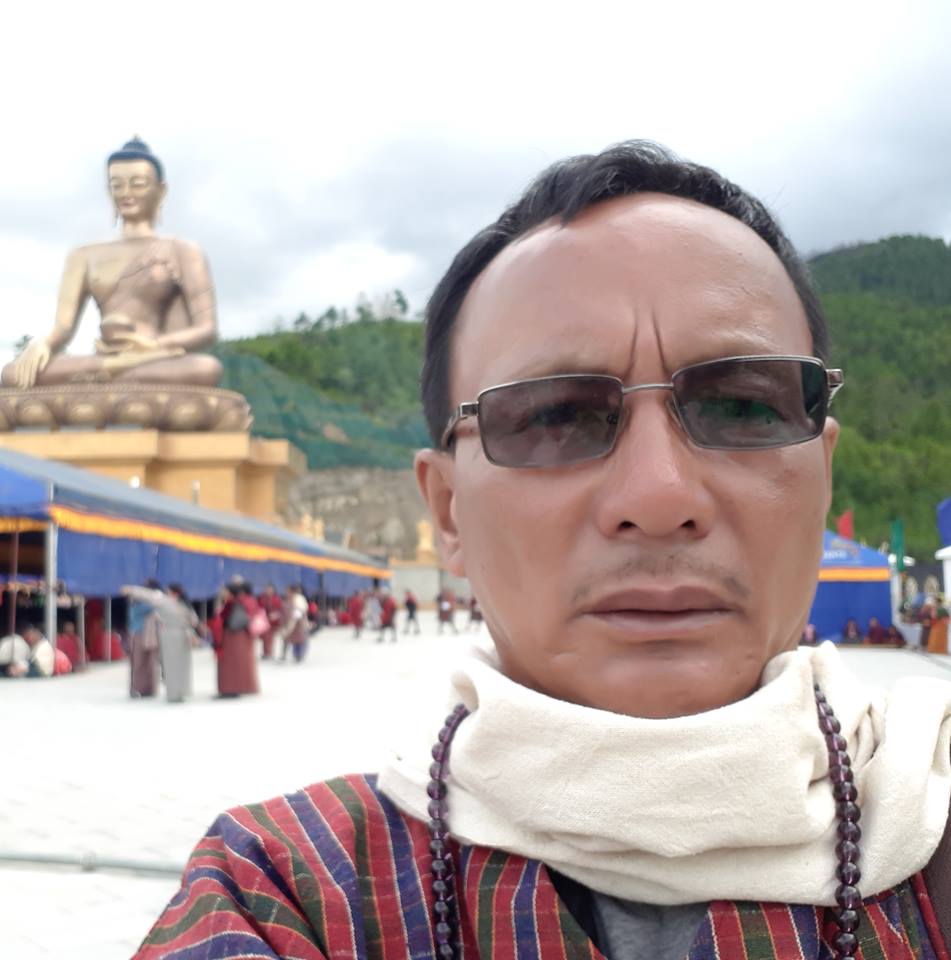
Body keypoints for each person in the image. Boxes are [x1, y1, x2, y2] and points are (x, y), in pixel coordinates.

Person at [136, 141, 951, 957]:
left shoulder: (931, 834)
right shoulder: (284, 891)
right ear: (447, 511)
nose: (657, 498)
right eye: (556, 417)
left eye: (742, 407)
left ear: (822, 476)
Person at [123, 583, 198, 703]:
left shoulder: (165, 602)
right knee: (183, 667)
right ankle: (183, 691)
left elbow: (148, 596)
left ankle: (173, 694)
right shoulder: (185, 604)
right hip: (184, 636)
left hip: (169, 635)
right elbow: (194, 620)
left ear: (172, 592)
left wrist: (132, 590)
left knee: (171, 667)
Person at [215, 577, 260, 698]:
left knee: (230, 664)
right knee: (237, 663)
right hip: (239, 638)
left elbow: (229, 621)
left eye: (225, 590)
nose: (222, 592)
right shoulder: (244, 601)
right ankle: (235, 687)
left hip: (233, 637)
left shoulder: (234, 604)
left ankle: (230, 689)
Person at [128, 578, 161, 697]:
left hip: (148, 634)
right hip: (140, 634)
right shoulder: (139, 603)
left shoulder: (146, 602)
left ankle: (148, 688)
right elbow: (156, 604)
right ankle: (138, 688)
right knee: (140, 663)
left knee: (149, 663)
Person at [278, 583, 309, 663]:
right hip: (289, 622)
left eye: (288, 590)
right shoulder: (288, 598)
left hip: (297, 624)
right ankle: (285, 654)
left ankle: (298, 656)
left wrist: (290, 625)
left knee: (298, 640)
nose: (286, 592)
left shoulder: (299, 599)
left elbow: (298, 612)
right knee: (287, 638)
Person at [258, 583, 283, 659]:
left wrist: (276, 614)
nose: (268, 590)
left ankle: (269, 653)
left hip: (273, 622)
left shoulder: (276, 598)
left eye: (270, 589)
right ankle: (266, 652)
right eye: (267, 589)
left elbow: (280, 609)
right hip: (264, 620)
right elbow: (259, 607)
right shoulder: (262, 598)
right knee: (265, 638)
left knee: (270, 638)